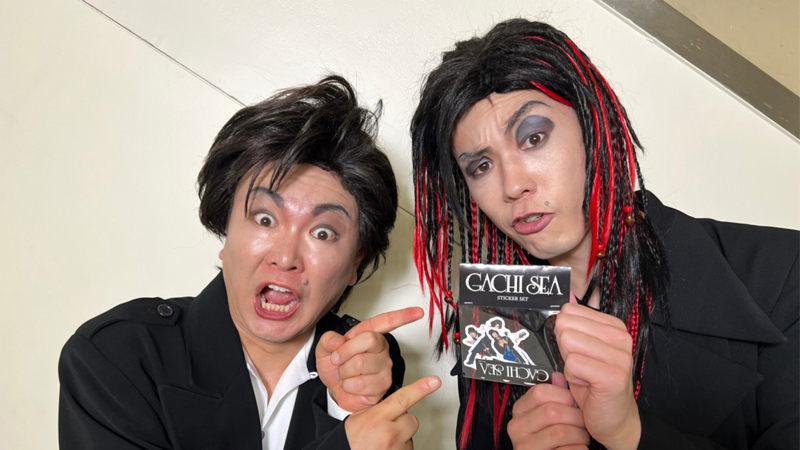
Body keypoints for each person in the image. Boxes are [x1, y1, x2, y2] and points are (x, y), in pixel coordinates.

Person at [411, 19, 798, 450]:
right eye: (481, 166)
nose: (512, 185)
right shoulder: (496, 314)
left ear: (593, 126)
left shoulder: (780, 275)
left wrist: (629, 434)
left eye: (534, 138)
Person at [59, 75, 441, 450]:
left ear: (356, 263)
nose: (286, 258)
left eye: (323, 233)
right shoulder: (118, 355)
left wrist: (348, 410)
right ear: (226, 227)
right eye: (265, 219)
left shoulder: (369, 365)